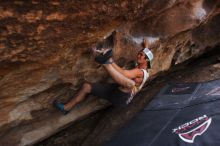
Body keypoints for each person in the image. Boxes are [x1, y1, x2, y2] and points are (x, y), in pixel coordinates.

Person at [54, 39, 154, 114]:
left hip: (122, 98)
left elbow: (124, 73)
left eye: (141, 55)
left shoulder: (140, 72)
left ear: (146, 60)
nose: (138, 56)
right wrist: (146, 46)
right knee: (86, 86)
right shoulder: (145, 65)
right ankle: (66, 108)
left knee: (130, 84)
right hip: (115, 90)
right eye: (139, 54)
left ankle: (105, 63)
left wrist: (111, 61)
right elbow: (148, 56)